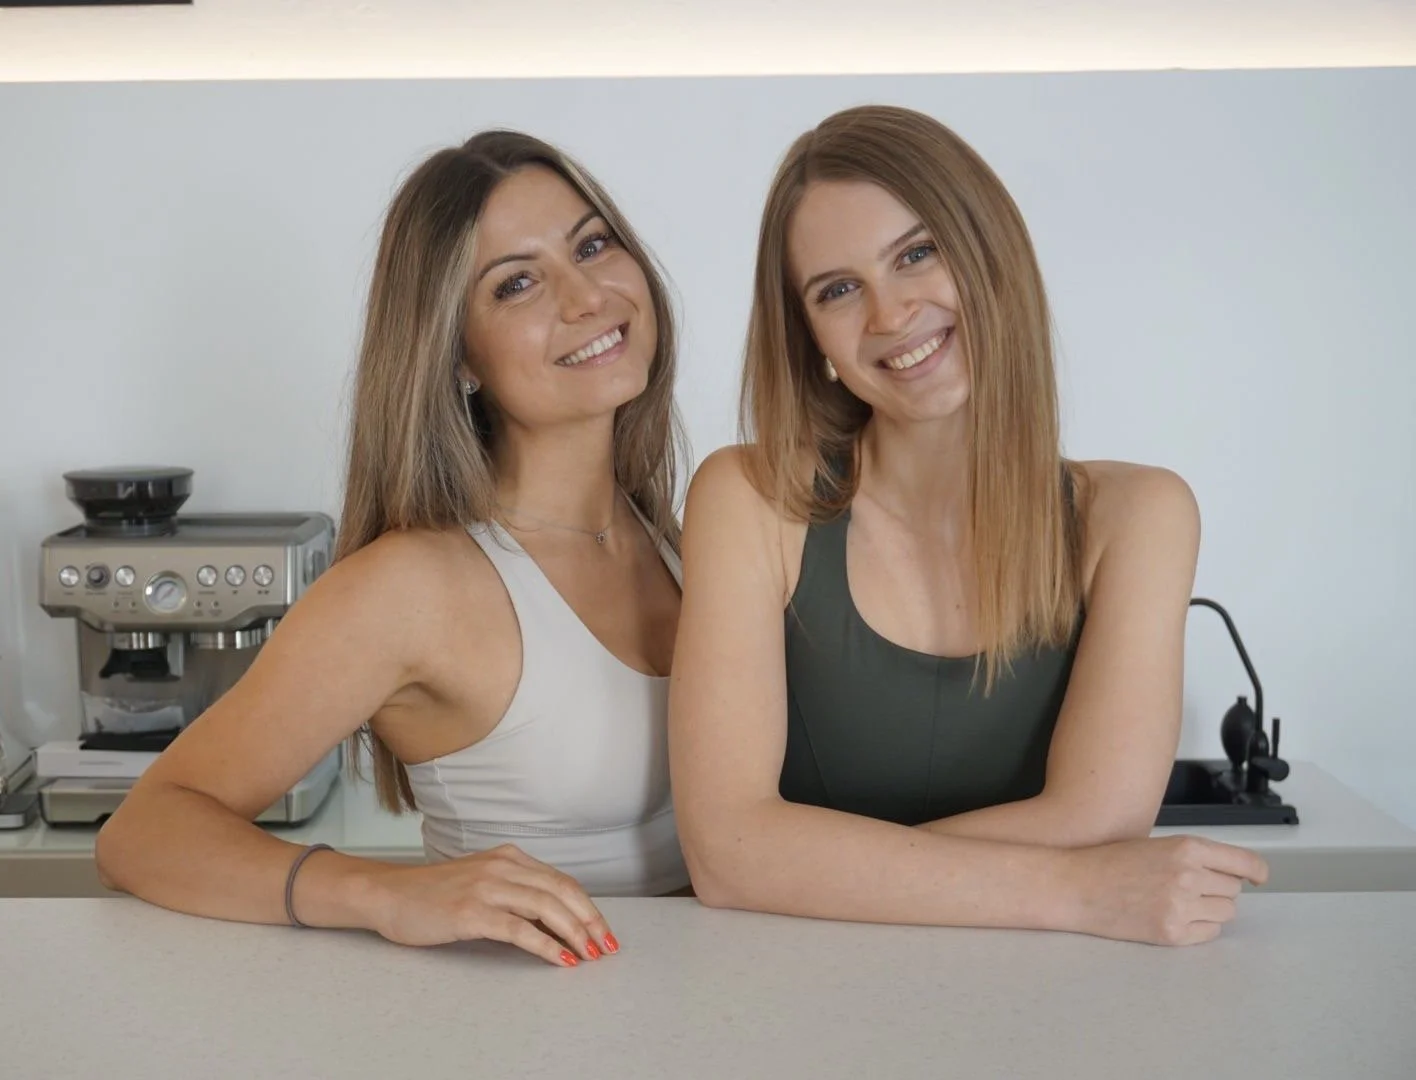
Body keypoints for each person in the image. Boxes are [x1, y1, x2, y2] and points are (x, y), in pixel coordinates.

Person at [668, 104, 1269, 947]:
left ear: (990, 252)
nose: (889, 315)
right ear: (810, 340)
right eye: (838, 290)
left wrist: (805, 865)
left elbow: (1102, 821)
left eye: (916, 254)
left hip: (1040, 1000)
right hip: (787, 989)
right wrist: (1076, 891)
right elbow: (729, 857)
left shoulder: (1140, 517)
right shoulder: (748, 498)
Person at [96, 130, 692, 967]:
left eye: (592, 245)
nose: (586, 295)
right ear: (457, 355)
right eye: (517, 283)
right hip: (525, 1015)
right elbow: (144, 832)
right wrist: (384, 893)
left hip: (699, 1002)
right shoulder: (413, 587)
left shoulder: (678, 538)